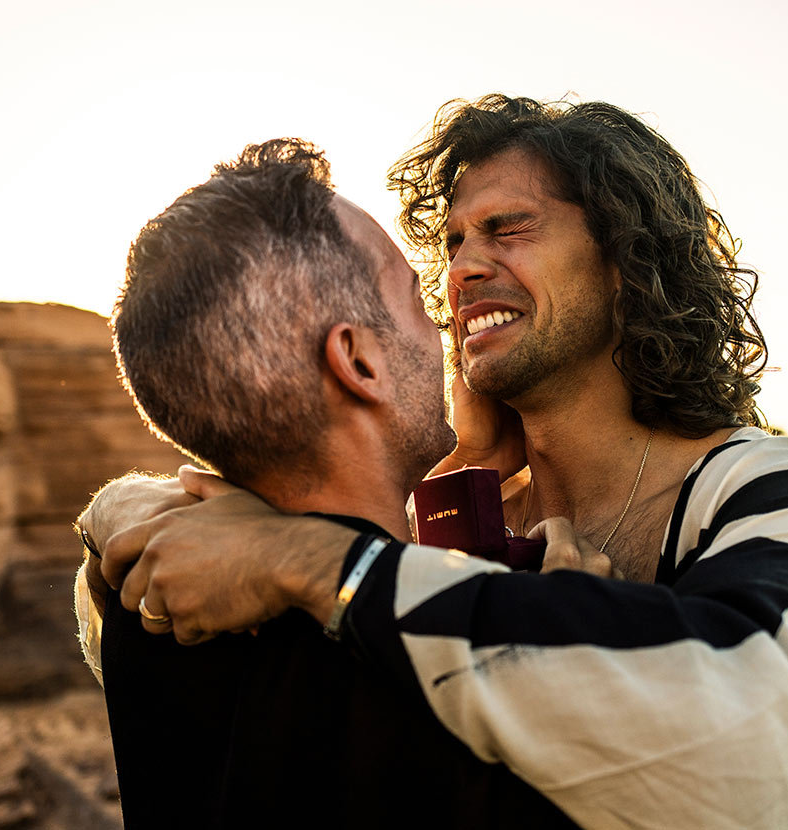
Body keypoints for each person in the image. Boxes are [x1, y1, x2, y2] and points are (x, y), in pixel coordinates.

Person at [83, 96, 788, 830]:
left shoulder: (760, 486)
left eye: (507, 228)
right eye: (452, 242)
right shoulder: (440, 528)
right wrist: (124, 508)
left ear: (627, 255)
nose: (457, 271)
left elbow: (760, 736)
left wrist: (304, 555)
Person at [81, 137, 584, 827]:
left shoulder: (150, 618)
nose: (441, 327)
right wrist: (568, 610)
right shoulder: (468, 657)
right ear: (356, 359)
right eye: (412, 298)